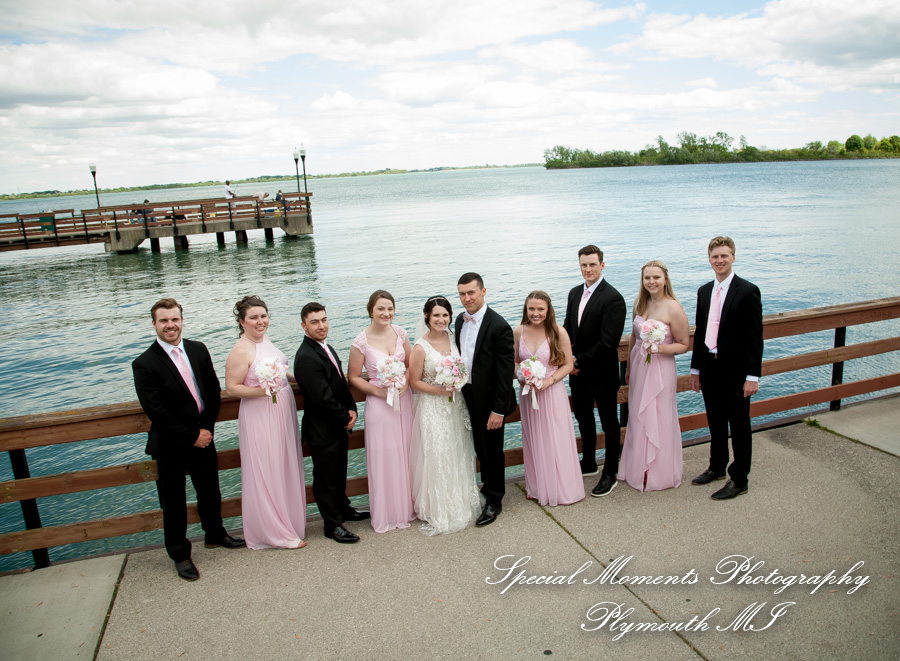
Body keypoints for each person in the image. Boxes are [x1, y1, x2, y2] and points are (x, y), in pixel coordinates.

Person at [132, 298, 245, 581]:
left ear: (182, 320)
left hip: (203, 436)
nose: (170, 325)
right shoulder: (144, 363)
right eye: (164, 321)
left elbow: (212, 390)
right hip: (170, 443)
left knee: (210, 490)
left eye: (174, 319)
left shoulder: (198, 349)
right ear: (154, 324)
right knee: (174, 500)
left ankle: (215, 534)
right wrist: (191, 435)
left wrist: (205, 430)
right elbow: (155, 410)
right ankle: (180, 553)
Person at [225, 295, 307, 549]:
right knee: (266, 466)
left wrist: (301, 379)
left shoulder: (265, 341)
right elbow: (231, 388)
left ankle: (288, 522)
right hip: (259, 413)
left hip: (282, 410)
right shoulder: (241, 350)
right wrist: (264, 392)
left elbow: (280, 372)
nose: (260, 321)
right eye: (253, 318)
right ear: (242, 322)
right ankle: (274, 532)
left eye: (263, 316)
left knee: (282, 463)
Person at [690, 237, 763, 500]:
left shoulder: (747, 290)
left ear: (733, 257)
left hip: (736, 371)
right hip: (710, 366)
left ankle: (740, 478)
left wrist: (752, 376)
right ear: (709, 259)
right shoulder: (704, 291)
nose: (719, 261)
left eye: (724, 256)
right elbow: (700, 333)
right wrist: (696, 369)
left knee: (740, 425)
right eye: (715, 256)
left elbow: (756, 337)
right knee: (715, 422)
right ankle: (717, 466)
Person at [293, 302, 369, 543]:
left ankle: (343, 509)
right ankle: (331, 525)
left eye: (324, 320)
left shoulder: (326, 347)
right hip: (321, 429)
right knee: (325, 478)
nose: (321, 325)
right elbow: (321, 397)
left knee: (339, 472)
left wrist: (352, 408)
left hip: (337, 425)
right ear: (304, 326)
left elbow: (340, 383)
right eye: (314, 322)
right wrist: (345, 416)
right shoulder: (306, 356)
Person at [409, 296, 482, 534]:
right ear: (427, 318)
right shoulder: (420, 347)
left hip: (454, 405)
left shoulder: (453, 338)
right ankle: (439, 508)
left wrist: (456, 381)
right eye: (436, 315)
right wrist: (441, 390)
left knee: (458, 449)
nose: (441, 319)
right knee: (438, 455)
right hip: (433, 408)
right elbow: (414, 382)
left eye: (445, 315)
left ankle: (461, 501)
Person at [617, 261, 689, 492]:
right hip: (639, 366)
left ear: (665, 279)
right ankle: (638, 469)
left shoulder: (673, 307)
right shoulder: (640, 303)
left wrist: (659, 349)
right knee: (638, 415)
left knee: (658, 415)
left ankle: (658, 472)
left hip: (661, 368)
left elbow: (684, 345)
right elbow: (633, 338)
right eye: (647, 278)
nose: (651, 282)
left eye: (656, 277)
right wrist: (628, 367)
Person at [348, 290, 416, 533]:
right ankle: (389, 511)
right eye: (381, 309)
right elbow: (353, 376)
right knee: (385, 455)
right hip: (379, 404)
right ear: (371, 311)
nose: (386, 313)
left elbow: (410, 365)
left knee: (407, 449)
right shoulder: (360, 342)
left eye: (390, 308)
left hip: (402, 400)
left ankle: (410, 505)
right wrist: (377, 392)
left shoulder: (400, 333)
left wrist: (406, 383)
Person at [563, 245, 627, 497]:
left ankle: (610, 472)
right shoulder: (573, 293)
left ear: (602, 265)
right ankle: (588, 462)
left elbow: (608, 342)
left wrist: (577, 362)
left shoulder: (613, 298)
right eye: (583, 265)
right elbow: (568, 329)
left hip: (601, 373)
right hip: (577, 374)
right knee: (583, 417)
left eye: (592, 264)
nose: (587, 269)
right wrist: (566, 357)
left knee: (610, 423)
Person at [455, 273, 517, 527]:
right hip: (467, 395)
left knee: (493, 450)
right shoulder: (460, 321)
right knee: (479, 447)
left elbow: (505, 374)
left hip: (491, 400)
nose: (467, 298)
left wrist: (498, 410)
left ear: (483, 291)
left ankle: (495, 499)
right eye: (462, 294)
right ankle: (486, 486)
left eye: (471, 292)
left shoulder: (499, 326)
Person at [514, 291, 584, 506]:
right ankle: (537, 486)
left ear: (548, 310)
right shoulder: (518, 331)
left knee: (556, 437)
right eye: (531, 309)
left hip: (552, 392)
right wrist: (523, 376)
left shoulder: (558, 332)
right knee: (534, 436)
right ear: (526, 309)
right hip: (529, 393)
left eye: (540, 309)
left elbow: (568, 365)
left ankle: (562, 488)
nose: (535, 313)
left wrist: (548, 381)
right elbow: (515, 361)